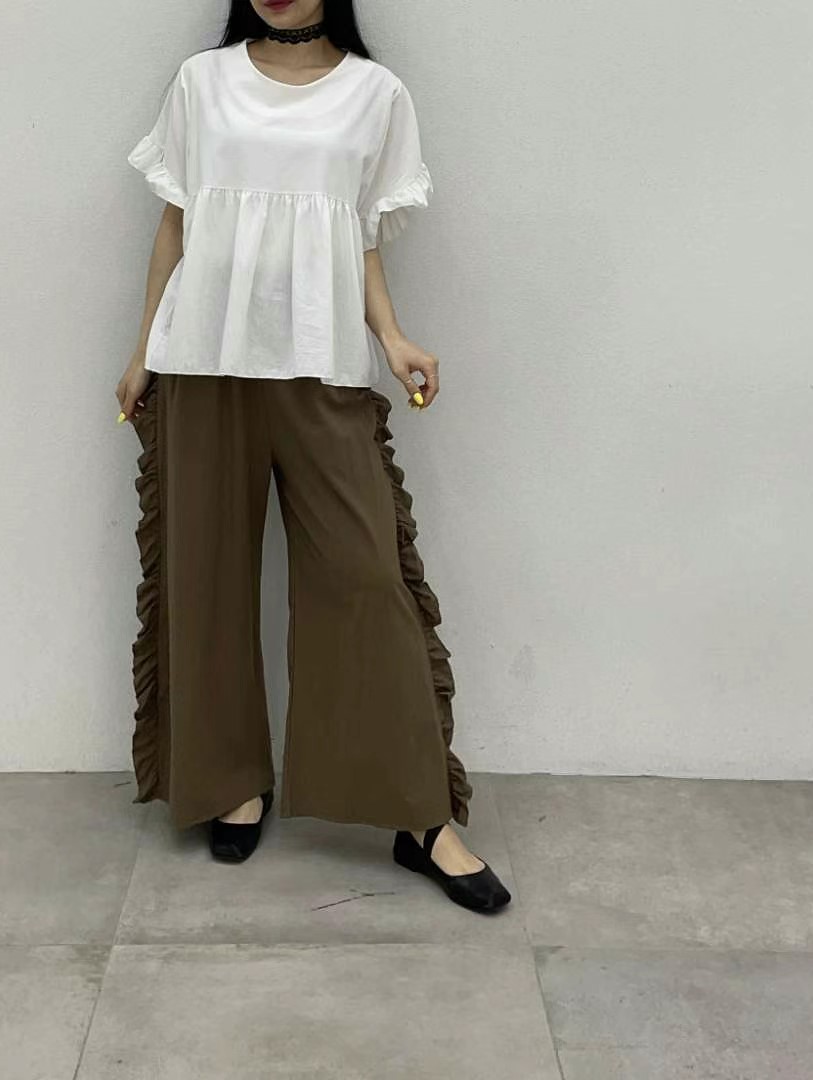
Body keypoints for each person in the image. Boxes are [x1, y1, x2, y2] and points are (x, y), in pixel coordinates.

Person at [115, 0, 510, 914]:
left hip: (319, 359)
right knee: (205, 576)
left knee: (366, 575)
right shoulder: (201, 82)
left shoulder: (377, 95)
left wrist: (394, 338)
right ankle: (229, 781)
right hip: (203, 357)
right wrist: (141, 353)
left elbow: (356, 237)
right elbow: (176, 224)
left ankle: (421, 817)